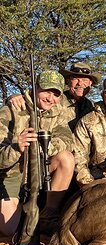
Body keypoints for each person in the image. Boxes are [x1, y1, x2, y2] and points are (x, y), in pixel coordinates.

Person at [0, 70, 74, 236]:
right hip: (10, 176)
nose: (50, 98)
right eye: (46, 91)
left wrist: (44, 147)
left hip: (39, 170)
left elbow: (67, 140)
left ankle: (48, 214)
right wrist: (16, 147)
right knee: (15, 230)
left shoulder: (58, 113)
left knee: (66, 159)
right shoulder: (9, 110)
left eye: (56, 94)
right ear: (34, 88)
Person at [8, 62, 102, 132]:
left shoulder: (93, 107)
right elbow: (32, 100)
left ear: (91, 84)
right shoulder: (53, 101)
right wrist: (16, 97)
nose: (80, 83)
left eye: (85, 80)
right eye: (75, 79)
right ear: (68, 81)